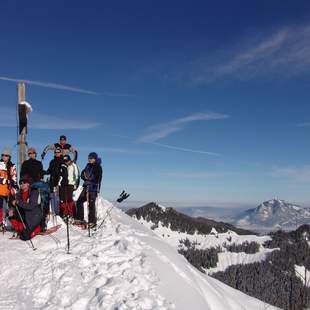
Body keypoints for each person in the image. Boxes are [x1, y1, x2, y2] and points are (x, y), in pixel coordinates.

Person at [8, 176, 42, 240]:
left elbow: (31, 206)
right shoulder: (19, 194)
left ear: (28, 184)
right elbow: (16, 204)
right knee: (11, 215)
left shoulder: (34, 192)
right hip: (25, 215)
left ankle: (38, 228)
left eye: (24, 183)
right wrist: (12, 208)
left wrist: (18, 202)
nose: (22, 184)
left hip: (34, 215)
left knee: (25, 237)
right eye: (20, 183)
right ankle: (20, 230)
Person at [75, 152, 102, 228]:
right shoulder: (88, 165)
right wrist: (85, 177)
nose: (89, 159)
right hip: (86, 187)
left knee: (91, 204)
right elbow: (82, 174)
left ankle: (92, 222)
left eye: (91, 158)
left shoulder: (98, 167)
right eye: (89, 158)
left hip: (93, 188)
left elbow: (97, 178)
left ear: (95, 159)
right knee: (79, 201)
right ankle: (80, 219)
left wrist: (89, 179)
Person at [0, 147, 18, 231]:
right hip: (0, 190)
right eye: (3, 155)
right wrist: (5, 180)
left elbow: (14, 177)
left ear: (9, 156)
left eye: (6, 155)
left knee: (12, 207)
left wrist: (14, 186)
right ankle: (1, 223)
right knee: (1, 208)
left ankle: (14, 224)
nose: (4, 157)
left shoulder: (12, 166)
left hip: (9, 190)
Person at [45, 147, 64, 215]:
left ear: (60, 153)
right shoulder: (52, 161)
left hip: (59, 181)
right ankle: (53, 211)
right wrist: (43, 172)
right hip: (52, 180)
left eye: (58, 152)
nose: (57, 153)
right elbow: (49, 170)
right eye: (55, 152)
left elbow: (64, 171)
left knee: (58, 197)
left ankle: (58, 212)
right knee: (52, 196)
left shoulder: (63, 160)